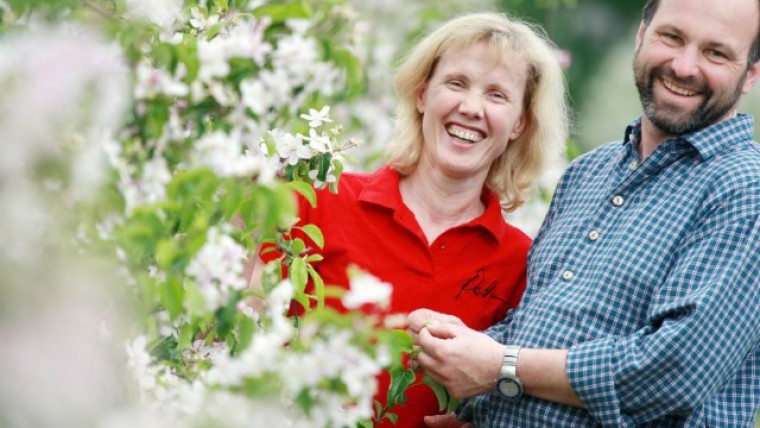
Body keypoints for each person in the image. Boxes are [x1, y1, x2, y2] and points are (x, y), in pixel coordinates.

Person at [408, 0, 760, 426]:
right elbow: (535, 326)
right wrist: (458, 352)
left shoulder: (745, 189)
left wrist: (500, 365)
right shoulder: (590, 172)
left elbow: (675, 370)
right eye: (672, 37)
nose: (684, 66)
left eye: (715, 53)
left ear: (752, 74)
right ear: (641, 35)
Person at [252, 12, 568, 428]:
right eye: (456, 83)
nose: (471, 108)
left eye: (496, 95)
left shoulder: (523, 263)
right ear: (422, 95)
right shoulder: (319, 200)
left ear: (519, 124)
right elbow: (243, 339)